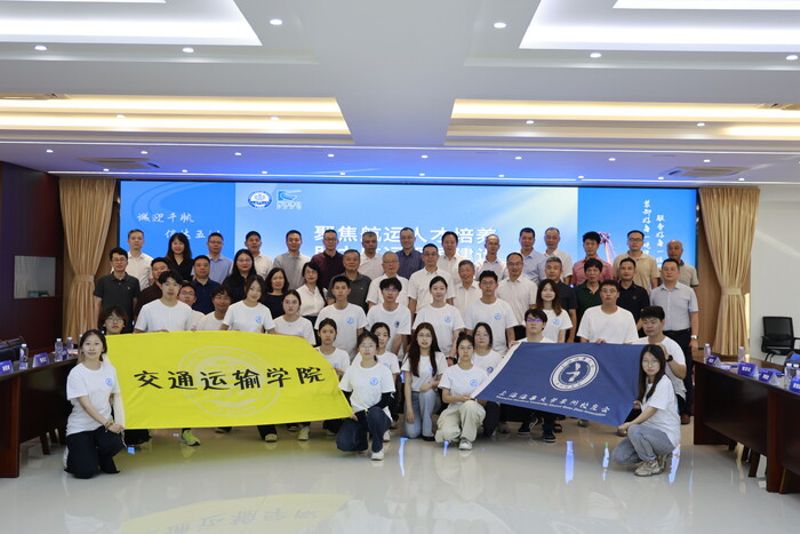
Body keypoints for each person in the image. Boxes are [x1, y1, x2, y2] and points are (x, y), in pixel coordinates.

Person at [221, 276, 277, 442]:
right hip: (235, 356)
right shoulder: (234, 308)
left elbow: (272, 334)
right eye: (252, 288)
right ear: (246, 289)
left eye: (259, 290)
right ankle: (225, 423)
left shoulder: (264, 310)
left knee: (260, 392)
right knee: (233, 389)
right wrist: (232, 336)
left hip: (257, 358)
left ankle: (267, 429)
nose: (254, 293)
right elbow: (221, 331)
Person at [64, 329, 125, 479]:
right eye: (88, 344)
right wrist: (108, 424)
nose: (92, 348)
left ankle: (98, 455)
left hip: (101, 426)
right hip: (81, 427)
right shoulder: (76, 373)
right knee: (85, 472)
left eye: (96, 344)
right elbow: (86, 406)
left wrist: (119, 422)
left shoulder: (110, 369)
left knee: (116, 443)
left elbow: (115, 397)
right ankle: (71, 455)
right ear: (81, 348)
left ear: (103, 348)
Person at [613, 344, 680, 477]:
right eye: (645, 361)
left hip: (665, 437)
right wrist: (640, 405)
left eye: (654, 361)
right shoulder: (645, 380)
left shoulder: (664, 382)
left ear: (661, 362)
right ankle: (658, 455)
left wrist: (629, 424)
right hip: (648, 433)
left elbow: (651, 411)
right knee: (619, 456)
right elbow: (649, 405)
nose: (650, 365)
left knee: (633, 429)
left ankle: (651, 463)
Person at [650, 258, 699, 425]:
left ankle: (685, 411)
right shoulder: (654, 293)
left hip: (682, 336)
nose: (669, 272)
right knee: (659, 373)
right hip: (661, 336)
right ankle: (659, 409)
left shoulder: (688, 292)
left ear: (678, 273)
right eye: (665, 269)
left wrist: (694, 338)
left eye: (672, 269)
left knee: (684, 373)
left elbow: (694, 315)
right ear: (661, 272)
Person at [336, 332, 395, 461]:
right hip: (357, 416)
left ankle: (377, 447)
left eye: (370, 345)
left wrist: (367, 412)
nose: (367, 349)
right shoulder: (351, 370)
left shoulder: (384, 370)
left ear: (376, 348)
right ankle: (362, 442)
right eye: (363, 345)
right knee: (343, 443)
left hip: (378, 416)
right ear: (358, 349)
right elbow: (343, 393)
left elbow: (386, 400)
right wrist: (349, 411)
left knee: (375, 413)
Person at [505, 309, 558, 442]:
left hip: (545, 386)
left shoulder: (551, 345)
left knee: (552, 391)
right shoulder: (518, 344)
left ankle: (548, 426)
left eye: (537, 320)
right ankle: (529, 418)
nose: (533, 323)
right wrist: (511, 351)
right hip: (524, 385)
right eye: (530, 320)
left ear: (544, 324)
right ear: (525, 323)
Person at [435, 333, 489, 451]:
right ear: (457, 350)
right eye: (462, 348)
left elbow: (484, 402)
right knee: (446, 434)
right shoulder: (449, 371)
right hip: (454, 409)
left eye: (469, 348)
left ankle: (466, 438)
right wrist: (460, 398)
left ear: (473, 350)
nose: (465, 351)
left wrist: (472, 400)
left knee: (469, 405)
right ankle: (460, 430)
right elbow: (445, 398)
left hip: (472, 409)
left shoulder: (481, 373)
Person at [634, 306, 688, 420]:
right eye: (645, 322)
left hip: (673, 392)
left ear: (662, 323)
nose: (649, 326)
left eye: (653, 322)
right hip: (645, 391)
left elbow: (682, 374)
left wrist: (668, 357)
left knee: (653, 414)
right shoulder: (637, 344)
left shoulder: (673, 345)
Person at [402, 323, 448, 440]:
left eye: (428, 335)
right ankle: (422, 418)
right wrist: (409, 408)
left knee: (427, 394)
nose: (424, 339)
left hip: (431, 397)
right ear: (416, 338)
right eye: (421, 335)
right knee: (412, 434)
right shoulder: (410, 356)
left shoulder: (439, 356)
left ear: (433, 338)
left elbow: (444, 380)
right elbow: (407, 385)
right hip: (413, 397)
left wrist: (431, 384)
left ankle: (427, 431)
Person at [464, 271, 518, 355]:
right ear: (479, 285)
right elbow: (469, 334)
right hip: (478, 354)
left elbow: (510, 333)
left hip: (501, 353)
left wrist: (510, 351)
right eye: (484, 283)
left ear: (496, 285)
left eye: (491, 283)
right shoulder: (472, 308)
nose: (488, 286)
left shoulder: (505, 306)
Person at [412, 276, 465, 360]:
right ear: (430, 291)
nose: (438, 291)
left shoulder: (454, 311)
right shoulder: (423, 312)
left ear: (446, 290)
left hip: (449, 356)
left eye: (442, 288)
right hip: (428, 356)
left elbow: (457, 336)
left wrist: (451, 357)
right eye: (435, 288)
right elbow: (417, 334)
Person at [315, 275, 368, 356]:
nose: (340, 291)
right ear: (332, 291)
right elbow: (320, 335)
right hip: (329, 356)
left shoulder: (358, 311)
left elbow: (360, 335)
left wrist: (358, 355)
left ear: (349, 290)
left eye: (343, 288)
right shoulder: (324, 312)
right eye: (337, 288)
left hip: (352, 357)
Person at [316, 318, 351, 436]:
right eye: (324, 331)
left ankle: (331, 423)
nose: (328, 335)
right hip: (316, 390)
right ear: (318, 333)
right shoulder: (313, 352)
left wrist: (340, 374)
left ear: (336, 334)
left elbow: (348, 378)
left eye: (331, 332)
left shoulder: (343, 354)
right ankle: (304, 426)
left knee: (334, 430)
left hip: (336, 391)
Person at [94, 247, 139, 333]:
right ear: (111, 263)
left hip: (127, 326)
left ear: (127, 262)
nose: (119, 262)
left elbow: (135, 306)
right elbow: (97, 304)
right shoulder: (103, 281)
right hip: (107, 326)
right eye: (116, 260)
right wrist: (95, 325)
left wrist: (136, 326)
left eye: (122, 259)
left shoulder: (134, 282)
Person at [472, 322, 504, 438]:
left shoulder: (497, 357)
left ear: (490, 337)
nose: (481, 337)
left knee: (489, 430)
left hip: (490, 399)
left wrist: (485, 397)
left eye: (485, 334)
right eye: (478, 334)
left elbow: (500, 383)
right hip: (470, 398)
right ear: (473, 337)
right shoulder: (468, 354)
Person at [366, 277, 411, 356]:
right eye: (387, 289)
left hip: (396, 356)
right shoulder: (373, 310)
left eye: (394, 290)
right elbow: (370, 336)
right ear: (381, 292)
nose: (390, 293)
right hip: (375, 355)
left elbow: (399, 338)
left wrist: (391, 358)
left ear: (398, 293)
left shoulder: (405, 311)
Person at [497, 252, 538, 341]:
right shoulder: (499, 286)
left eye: (518, 264)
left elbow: (533, 309)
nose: (514, 267)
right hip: (503, 329)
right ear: (507, 265)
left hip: (524, 328)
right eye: (511, 264)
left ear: (522, 265)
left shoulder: (531, 285)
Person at [408, 244, 454, 315]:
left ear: (438, 257)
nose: (430, 257)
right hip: (421, 316)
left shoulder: (447, 276)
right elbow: (412, 302)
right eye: (427, 254)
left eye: (433, 254)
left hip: (442, 315)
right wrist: (411, 321)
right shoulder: (415, 276)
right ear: (422, 257)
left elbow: (449, 300)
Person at [543, 257, 578, 341]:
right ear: (545, 271)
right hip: (542, 334)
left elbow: (573, 314)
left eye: (555, 268)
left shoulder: (568, 290)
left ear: (561, 271)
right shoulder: (539, 288)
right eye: (549, 268)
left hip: (562, 333)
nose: (552, 271)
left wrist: (571, 338)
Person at [616, 257, 650, 331]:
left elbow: (645, 314)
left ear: (635, 271)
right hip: (615, 331)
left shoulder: (641, 292)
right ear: (619, 271)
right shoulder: (613, 291)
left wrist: (634, 330)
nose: (626, 271)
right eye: (623, 268)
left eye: (629, 268)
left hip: (637, 332)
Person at [575, 258, 603, 328]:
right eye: (589, 270)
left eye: (595, 270)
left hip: (602, 328)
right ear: (585, 272)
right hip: (582, 328)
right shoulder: (576, 290)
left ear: (600, 272)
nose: (592, 273)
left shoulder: (605, 290)